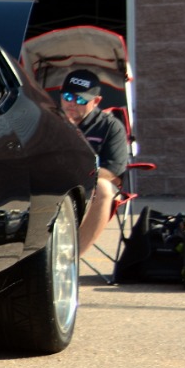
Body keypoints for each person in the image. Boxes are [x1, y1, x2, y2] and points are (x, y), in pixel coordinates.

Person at [59, 69, 129, 253]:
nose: (72, 103)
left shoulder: (109, 126)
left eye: (81, 100)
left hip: (90, 188)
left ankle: (70, 262)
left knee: (105, 189)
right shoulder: (51, 121)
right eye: (67, 96)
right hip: (55, 183)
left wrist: (81, 175)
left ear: (96, 101)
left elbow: (114, 173)